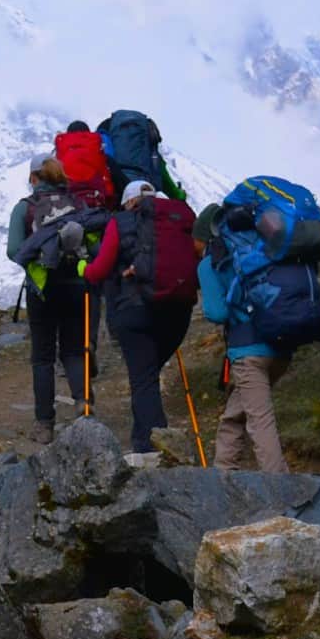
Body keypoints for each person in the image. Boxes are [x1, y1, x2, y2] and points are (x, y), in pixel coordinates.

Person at [85, 180, 197, 454]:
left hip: (136, 312)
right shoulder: (177, 218)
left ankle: (154, 450)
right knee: (147, 375)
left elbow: (99, 270)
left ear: (128, 201)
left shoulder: (119, 222)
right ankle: (141, 437)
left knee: (143, 379)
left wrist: (83, 269)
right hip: (178, 310)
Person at [196, 206, 292, 472]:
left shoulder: (210, 263)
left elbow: (217, 312)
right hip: (282, 345)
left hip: (248, 351)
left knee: (259, 421)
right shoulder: (262, 250)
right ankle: (223, 475)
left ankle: (282, 491)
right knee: (233, 415)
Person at [8, 158, 89, 444]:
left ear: (33, 177)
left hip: (42, 289)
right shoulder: (76, 203)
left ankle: (44, 424)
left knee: (43, 357)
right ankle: (83, 403)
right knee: (74, 350)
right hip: (76, 285)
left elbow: (13, 249)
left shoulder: (25, 206)